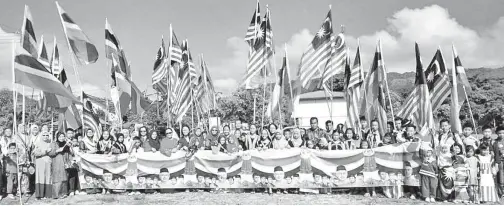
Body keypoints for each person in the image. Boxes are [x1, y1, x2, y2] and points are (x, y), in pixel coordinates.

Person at [51, 132, 72, 199]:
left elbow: (69, 153)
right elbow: (50, 153)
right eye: (60, 136)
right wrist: (57, 150)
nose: (61, 138)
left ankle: (64, 193)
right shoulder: (54, 144)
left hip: (65, 162)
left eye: (63, 136)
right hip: (57, 163)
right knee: (57, 178)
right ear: (57, 137)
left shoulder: (66, 144)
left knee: (64, 177)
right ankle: (57, 194)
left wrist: (69, 162)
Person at [32, 131, 53, 199]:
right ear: (41, 136)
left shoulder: (50, 144)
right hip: (40, 162)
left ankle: (47, 194)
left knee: (48, 177)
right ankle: (39, 194)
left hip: (48, 162)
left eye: (47, 135)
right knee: (40, 177)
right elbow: (35, 153)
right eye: (43, 135)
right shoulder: (37, 144)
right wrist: (45, 152)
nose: (45, 136)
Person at [492, 125, 504, 197]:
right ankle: (501, 192)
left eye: (503, 133)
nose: (501, 134)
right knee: (500, 175)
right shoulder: (495, 142)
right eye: (499, 133)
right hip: (499, 161)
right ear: (496, 133)